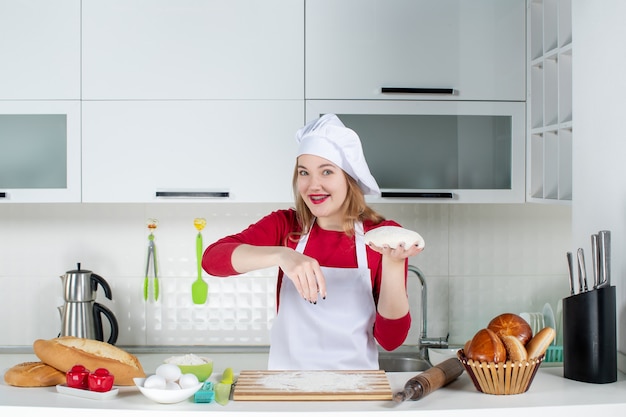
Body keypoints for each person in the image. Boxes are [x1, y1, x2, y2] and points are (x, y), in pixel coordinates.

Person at [202, 114, 423, 370]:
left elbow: (391, 340)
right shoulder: (285, 226)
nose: (312, 185)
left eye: (326, 172)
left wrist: (394, 265)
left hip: (356, 392)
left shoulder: (382, 237)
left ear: (348, 179)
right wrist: (282, 255)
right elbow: (212, 260)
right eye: (304, 173)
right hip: (287, 388)